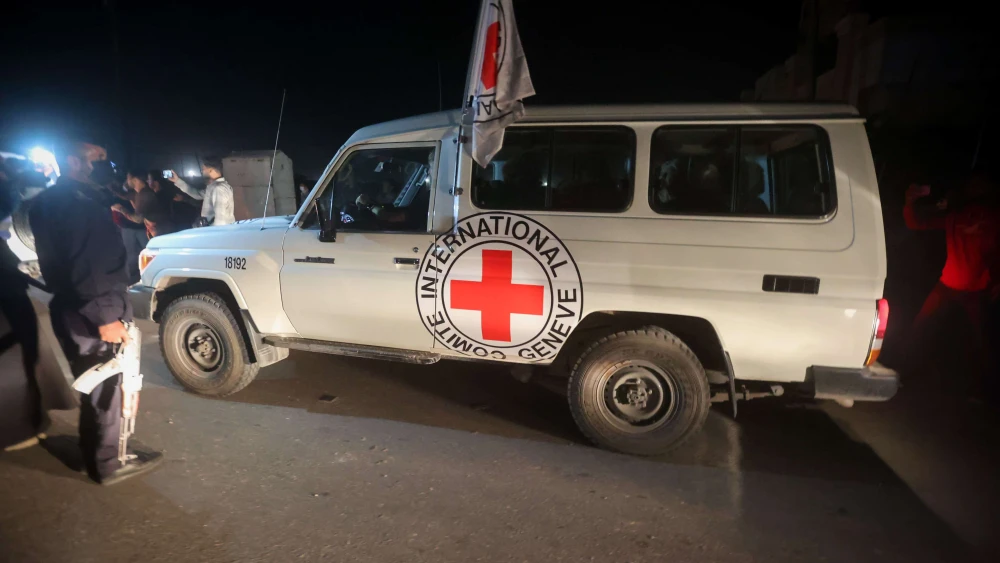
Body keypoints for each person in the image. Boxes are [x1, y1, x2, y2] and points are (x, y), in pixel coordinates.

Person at [28, 141, 161, 485]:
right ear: (73, 161)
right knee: (109, 388)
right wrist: (106, 318)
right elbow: (90, 264)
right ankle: (107, 463)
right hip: (94, 308)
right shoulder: (79, 205)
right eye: (97, 158)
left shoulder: (49, 200)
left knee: (99, 387)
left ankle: (95, 451)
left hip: (73, 305)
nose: (104, 165)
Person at [904, 171, 1000, 387]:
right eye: (973, 185)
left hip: (975, 290)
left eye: (980, 185)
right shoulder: (955, 215)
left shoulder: (993, 218)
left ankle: (987, 387)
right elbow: (916, 223)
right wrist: (910, 202)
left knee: (981, 339)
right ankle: (906, 373)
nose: (975, 189)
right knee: (921, 327)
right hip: (948, 285)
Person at [170, 156, 235, 226]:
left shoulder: (219, 189)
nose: (202, 172)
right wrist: (177, 180)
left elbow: (221, 218)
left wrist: (216, 232)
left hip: (217, 230)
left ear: (210, 170)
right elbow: (197, 194)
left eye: (203, 169)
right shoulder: (214, 187)